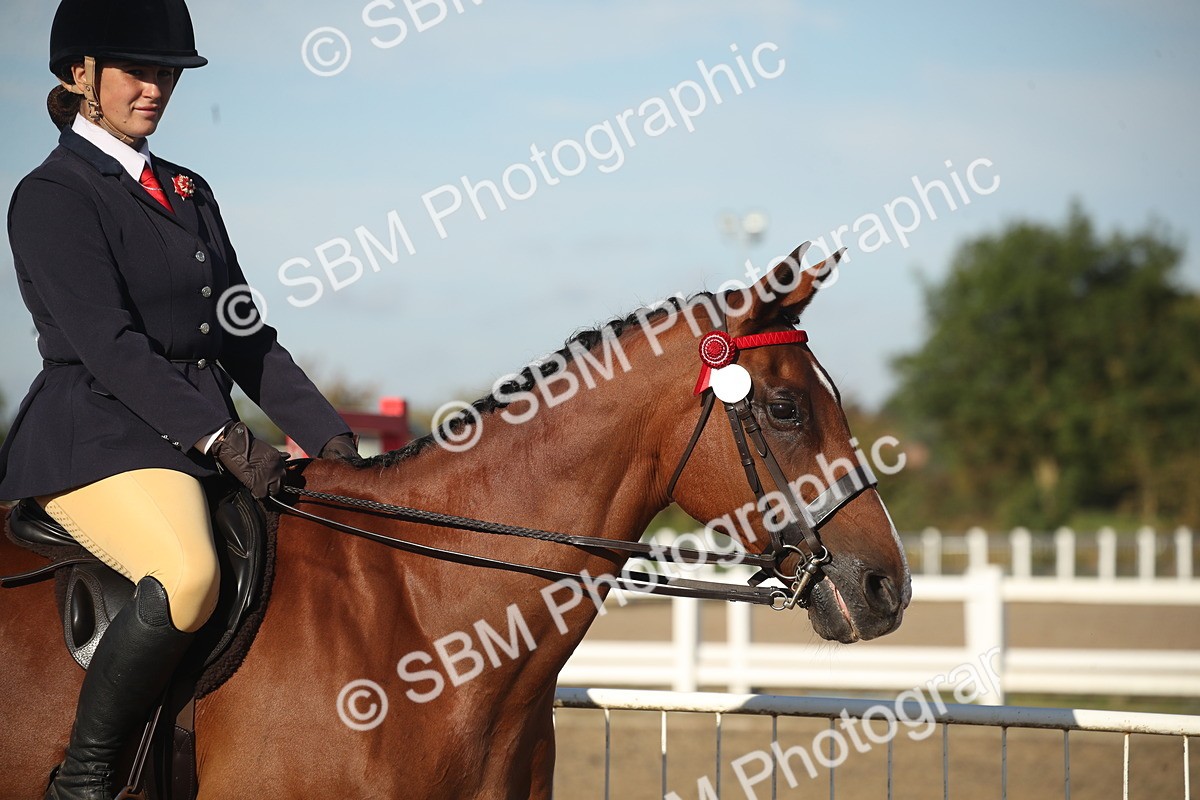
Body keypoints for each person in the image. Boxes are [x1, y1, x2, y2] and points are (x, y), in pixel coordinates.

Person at [0, 1, 360, 797]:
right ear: (79, 75)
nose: (156, 87)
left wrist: (333, 445)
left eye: (166, 73)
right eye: (138, 70)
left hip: (190, 437)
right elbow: (110, 348)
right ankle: (85, 778)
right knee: (187, 570)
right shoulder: (52, 194)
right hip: (96, 437)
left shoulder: (187, 190)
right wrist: (225, 441)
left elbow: (244, 335)